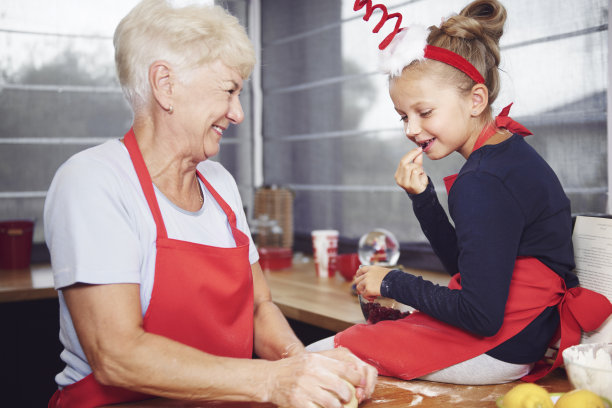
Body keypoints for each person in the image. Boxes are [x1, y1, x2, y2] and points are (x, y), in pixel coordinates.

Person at [44, 1, 376, 407]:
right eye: (229, 90)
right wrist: (273, 381)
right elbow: (117, 356)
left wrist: (304, 365)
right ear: (165, 84)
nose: (237, 114)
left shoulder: (219, 183)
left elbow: (258, 307)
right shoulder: (94, 181)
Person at [316, 0, 612, 385]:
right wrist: (423, 200)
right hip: (521, 342)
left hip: (497, 346)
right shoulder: (508, 155)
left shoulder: (482, 180)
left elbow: (479, 315)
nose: (410, 128)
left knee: (314, 359)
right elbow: (469, 268)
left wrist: (392, 282)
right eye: (403, 116)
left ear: (476, 99)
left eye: (424, 112)